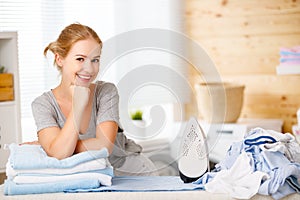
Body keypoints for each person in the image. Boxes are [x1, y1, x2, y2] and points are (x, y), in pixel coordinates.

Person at [29, 23, 157, 176]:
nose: (89, 69)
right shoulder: (43, 104)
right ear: (59, 59)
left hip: (132, 173)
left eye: (95, 60)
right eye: (80, 59)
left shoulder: (106, 92)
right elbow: (59, 154)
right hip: (91, 178)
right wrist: (78, 105)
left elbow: (104, 147)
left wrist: (54, 146)